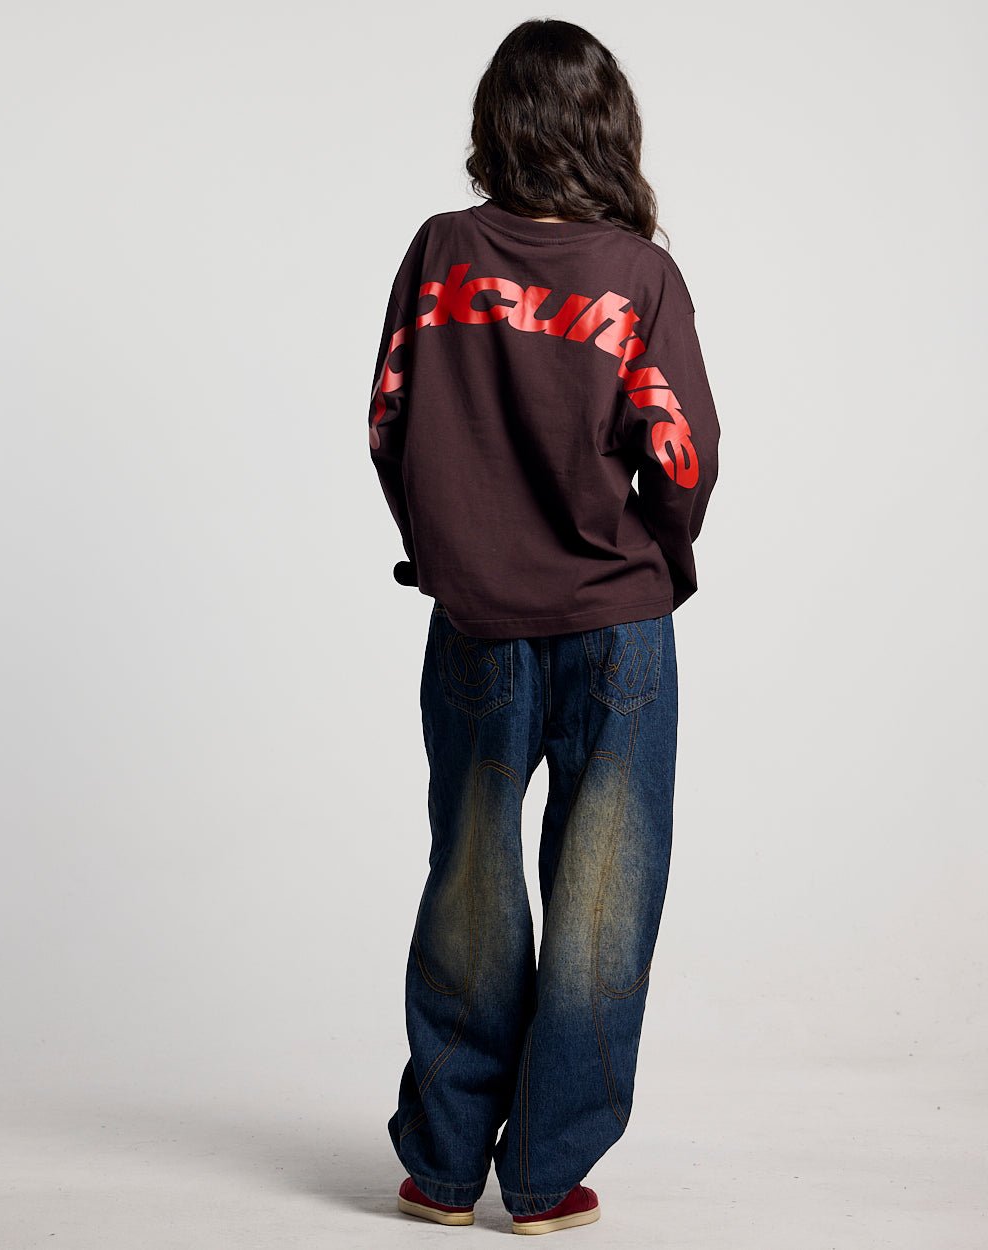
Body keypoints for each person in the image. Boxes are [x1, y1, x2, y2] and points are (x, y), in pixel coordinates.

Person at [367, 18, 721, 1236]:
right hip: (616, 627)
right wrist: (656, 557)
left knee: (468, 876)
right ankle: (545, 1174)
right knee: (601, 897)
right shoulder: (638, 274)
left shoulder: (441, 253)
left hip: (474, 620)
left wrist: (448, 547)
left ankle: (441, 1166)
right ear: (605, 125)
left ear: (496, 125)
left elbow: (389, 418)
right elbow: (682, 452)